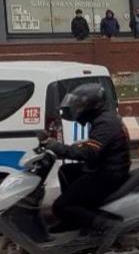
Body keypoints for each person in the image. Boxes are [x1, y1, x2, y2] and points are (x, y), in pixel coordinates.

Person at [40, 84, 130, 233]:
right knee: (66, 171)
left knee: (60, 206)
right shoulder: (104, 118)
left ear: (93, 106)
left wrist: (56, 147)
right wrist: (65, 147)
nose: (77, 109)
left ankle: (107, 226)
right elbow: (95, 145)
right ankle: (73, 220)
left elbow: (89, 153)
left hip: (109, 174)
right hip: (105, 167)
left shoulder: (105, 123)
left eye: (80, 106)